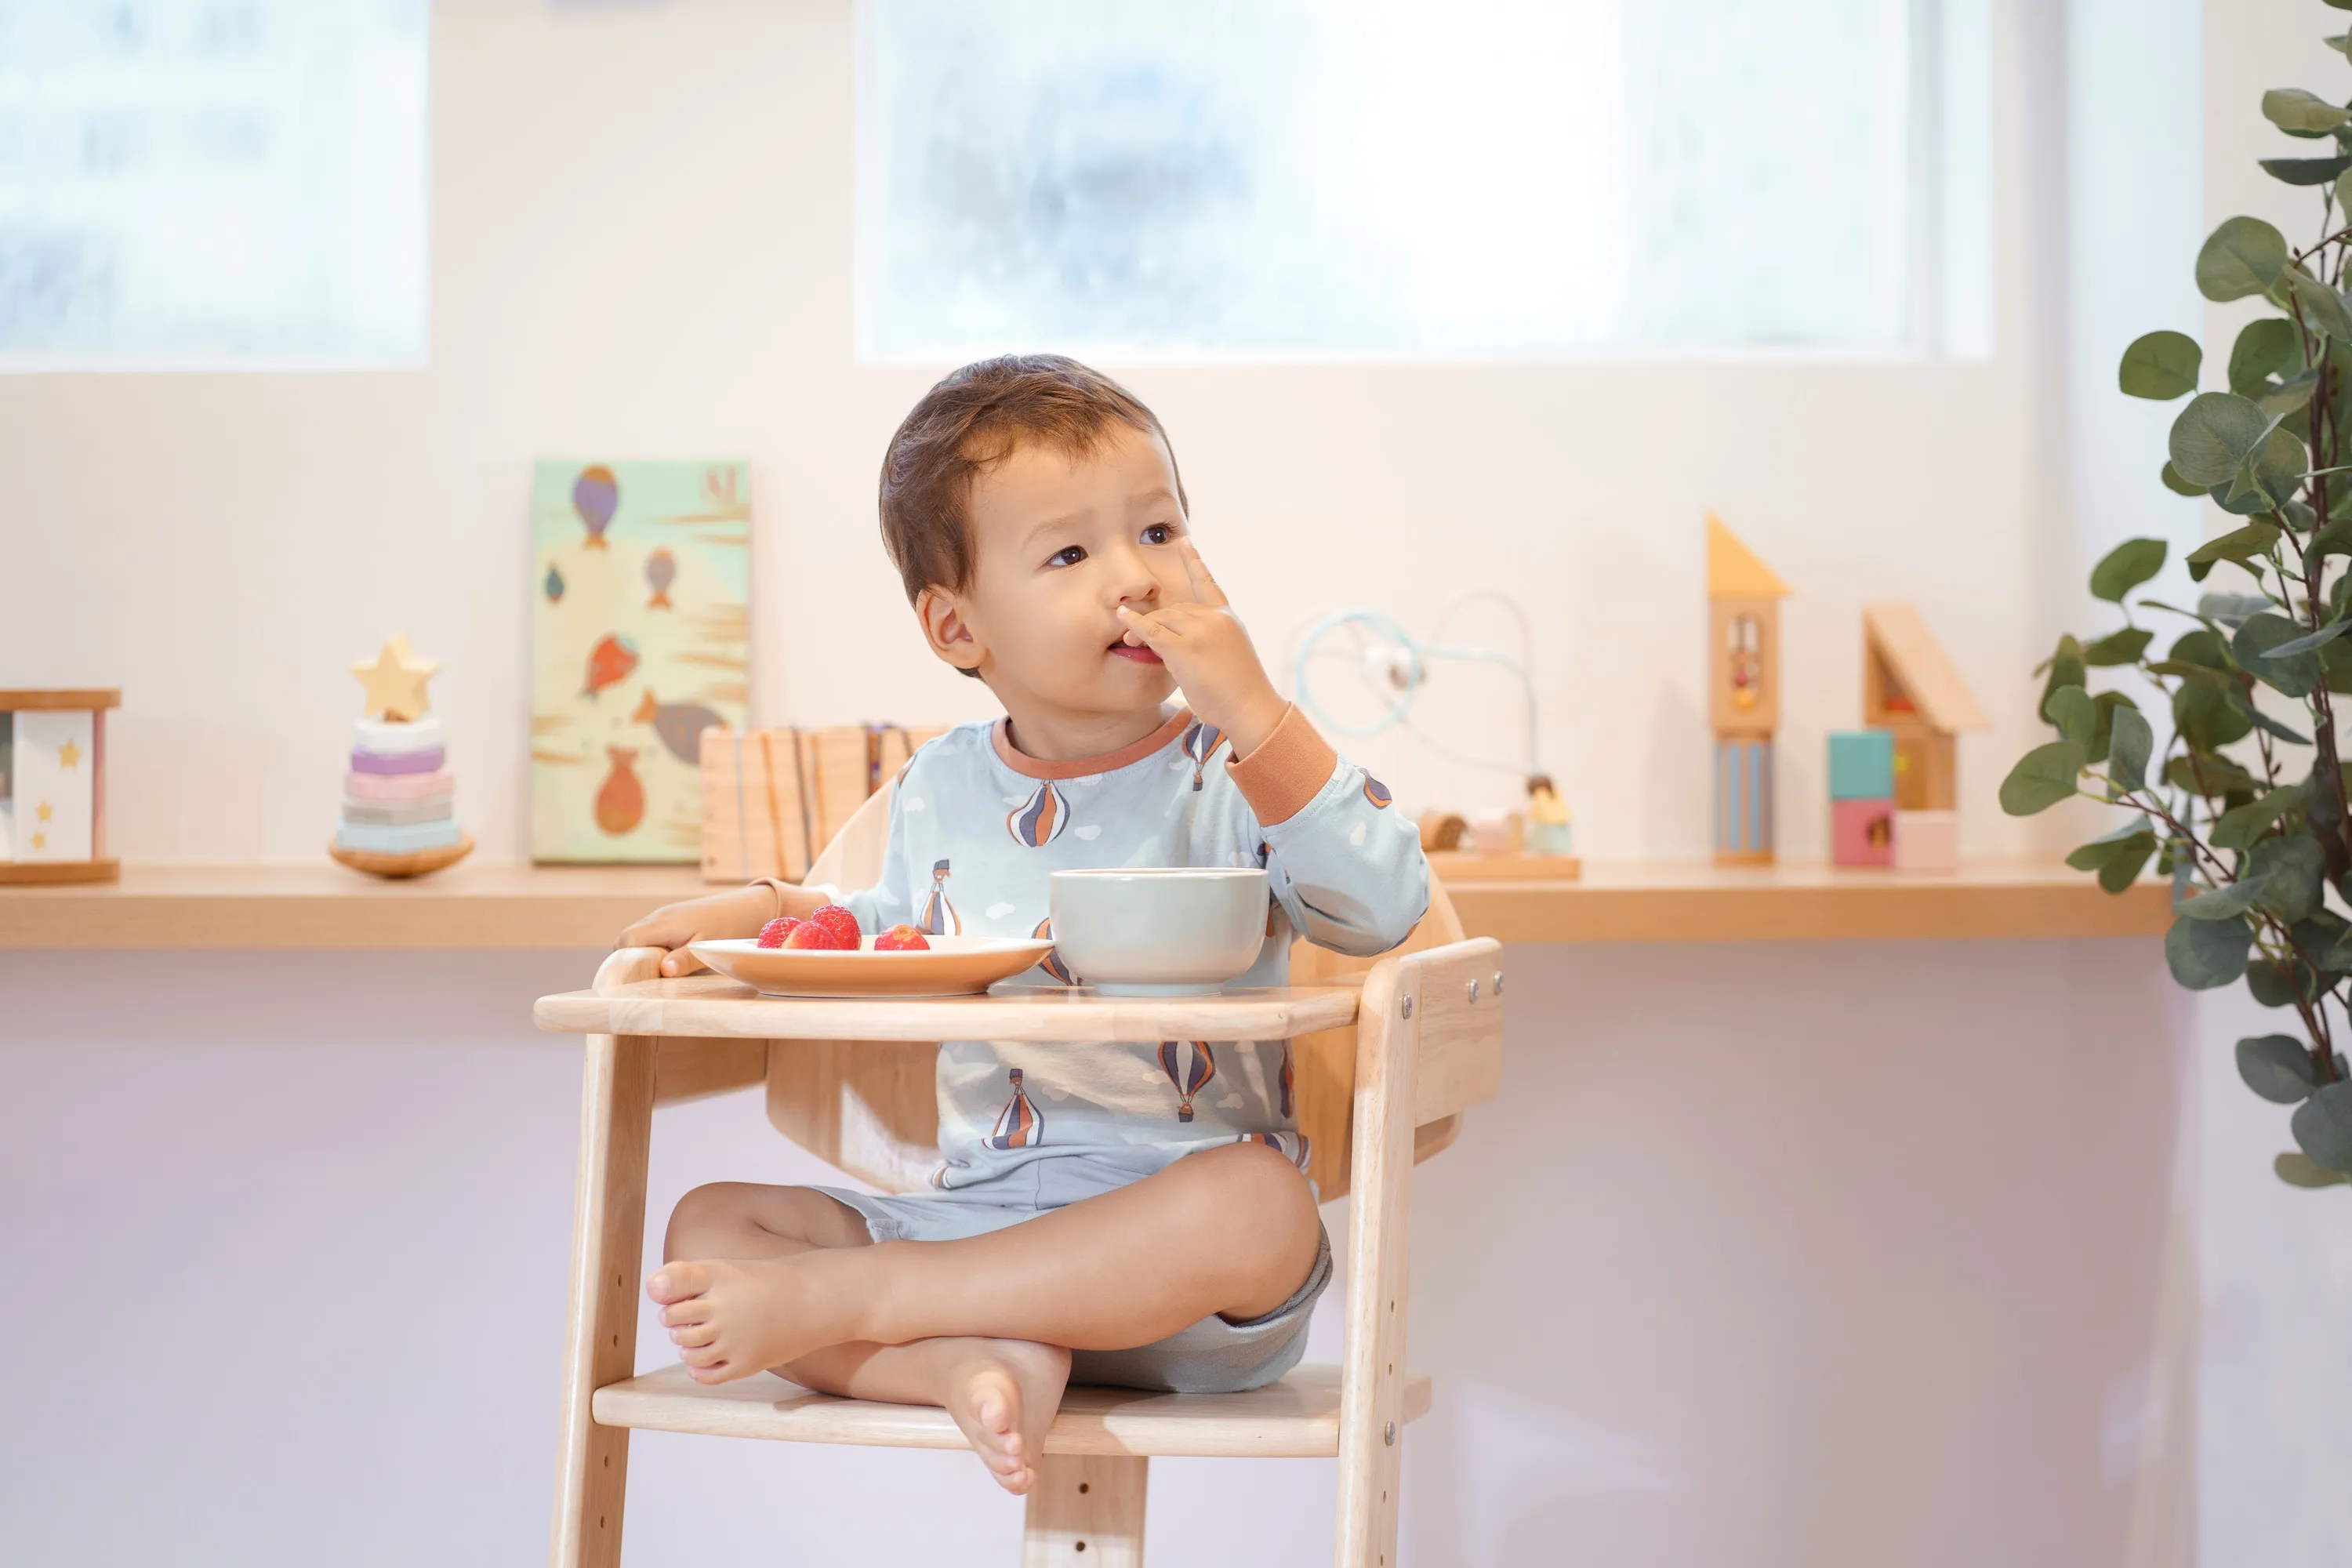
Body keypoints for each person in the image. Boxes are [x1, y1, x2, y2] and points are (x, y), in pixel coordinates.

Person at [618, 354, 1428, 1495]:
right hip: (981, 1231)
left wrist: (1254, 709)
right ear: (957, 627)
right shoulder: (939, 788)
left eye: (1158, 532)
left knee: (1261, 1203)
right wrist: (766, 913)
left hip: (1186, 1286)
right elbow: (882, 936)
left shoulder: (1233, 768)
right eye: (1070, 553)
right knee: (711, 1226)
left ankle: (879, 1312)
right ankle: (964, 1363)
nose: (1135, 580)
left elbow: (1384, 902)